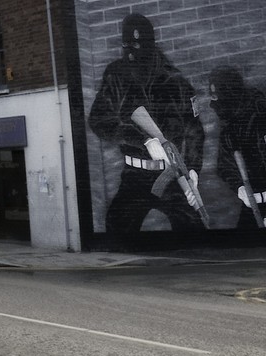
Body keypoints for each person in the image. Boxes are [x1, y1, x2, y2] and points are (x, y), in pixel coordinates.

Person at [87, 13, 208, 233]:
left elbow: (195, 131)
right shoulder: (116, 75)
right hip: (134, 175)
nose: (129, 52)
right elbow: (98, 120)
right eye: (125, 45)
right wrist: (143, 140)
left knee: (194, 230)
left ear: (150, 44)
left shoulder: (176, 81)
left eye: (135, 44)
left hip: (172, 174)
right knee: (116, 228)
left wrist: (192, 170)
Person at [209, 67, 266, 229]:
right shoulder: (230, 125)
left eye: (217, 95)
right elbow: (224, 164)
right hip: (253, 205)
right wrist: (239, 186)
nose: (214, 102)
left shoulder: (265, 120)